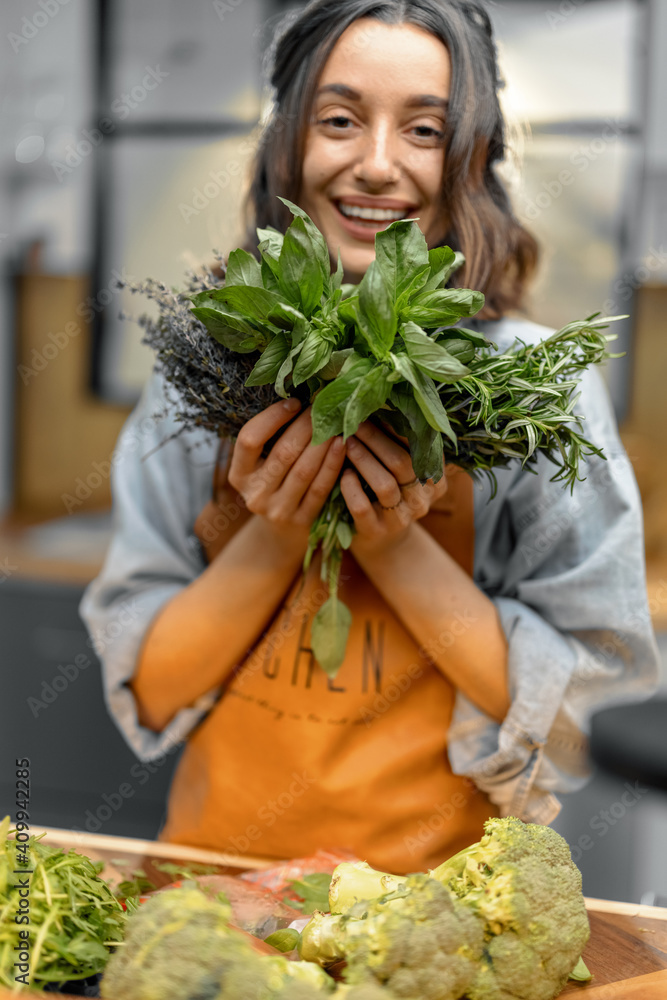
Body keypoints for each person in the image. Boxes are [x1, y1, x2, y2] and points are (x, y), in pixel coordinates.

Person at [80, 0, 659, 873]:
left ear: (472, 158)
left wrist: (394, 547)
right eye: (339, 120)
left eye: (424, 130)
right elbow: (153, 689)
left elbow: (584, 718)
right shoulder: (198, 371)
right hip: (213, 892)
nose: (377, 165)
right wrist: (275, 532)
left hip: (436, 917)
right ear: (287, 143)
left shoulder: (536, 387)